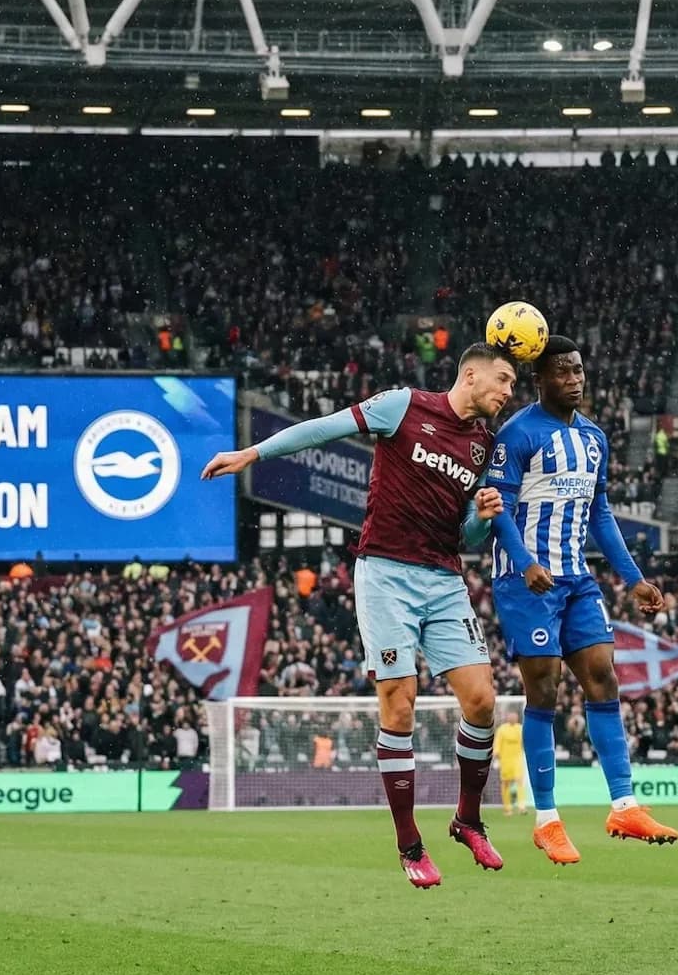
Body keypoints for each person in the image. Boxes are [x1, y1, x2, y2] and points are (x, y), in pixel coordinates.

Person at [203, 343, 516, 889]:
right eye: (505, 380)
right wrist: (252, 454)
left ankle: (467, 821)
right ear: (471, 374)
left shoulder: (482, 445)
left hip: (443, 579)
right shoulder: (403, 406)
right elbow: (322, 430)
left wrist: (482, 519)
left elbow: (463, 537)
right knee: (400, 704)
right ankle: (410, 845)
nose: (509, 392)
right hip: (385, 575)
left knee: (483, 700)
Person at [485, 336, 676, 864]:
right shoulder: (518, 433)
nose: (575, 378)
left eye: (579, 370)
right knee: (543, 690)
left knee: (603, 677)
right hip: (525, 582)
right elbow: (496, 507)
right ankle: (546, 819)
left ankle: (624, 805)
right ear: (540, 378)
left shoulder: (593, 438)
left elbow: (600, 513)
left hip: (577, 579)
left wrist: (633, 578)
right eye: (563, 371)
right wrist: (526, 562)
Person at [493, 710, 525, 816]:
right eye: (511, 717)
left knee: (519, 781)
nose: (513, 719)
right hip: (505, 759)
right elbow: (497, 742)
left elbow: (524, 742)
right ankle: (507, 808)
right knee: (506, 783)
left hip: (517, 759)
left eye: (514, 717)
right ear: (507, 718)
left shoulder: (520, 728)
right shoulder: (502, 730)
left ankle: (521, 806)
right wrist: (496, 753)